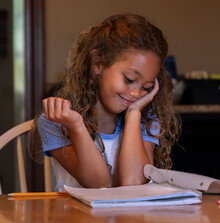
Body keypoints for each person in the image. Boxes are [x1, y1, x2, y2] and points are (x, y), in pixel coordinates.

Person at [30, 13, 180, 191]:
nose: (136, 93)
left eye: (146, 87)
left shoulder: (145, 118)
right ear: (98, 64)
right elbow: (98, 185)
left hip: (129, 218)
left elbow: (133, 183)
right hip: (75, 218)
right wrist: (77, 126)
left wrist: (133, 115)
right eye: (129, 78)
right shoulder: (56, 123)